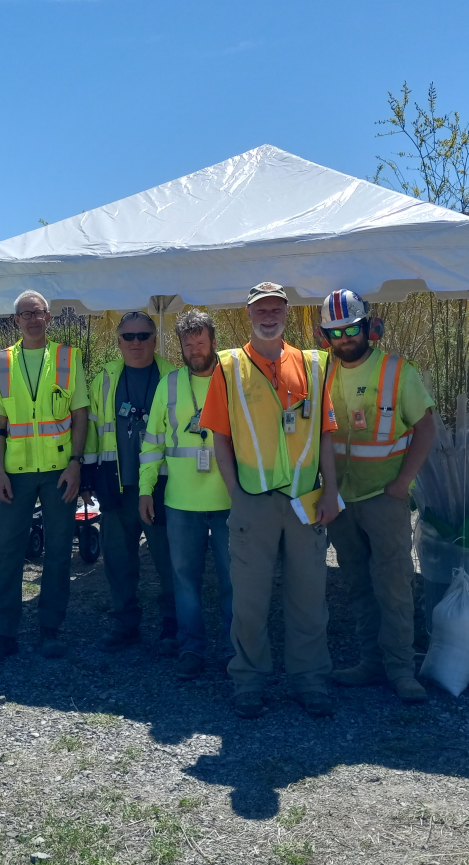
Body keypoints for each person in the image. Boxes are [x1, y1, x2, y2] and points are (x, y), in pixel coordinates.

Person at [200, 282, 341, 719]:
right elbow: (219, 437)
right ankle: (248, 682)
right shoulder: (228, 367)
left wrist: (332, 490)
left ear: (286, 313)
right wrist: (236, 495)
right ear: (248, 314)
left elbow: (326, 433)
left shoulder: (314, 365)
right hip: (254, 503)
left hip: (307, 501)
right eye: (260, 308)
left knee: (309, 597)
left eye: (276, 307)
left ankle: (311, 681)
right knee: (250, 601)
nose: (269, 314)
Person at [319, 289, 437, 704]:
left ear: (368, 326)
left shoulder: (397, 371)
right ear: (325, 336)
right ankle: (371, 663)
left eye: (351, 328)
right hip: (341, 501)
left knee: (394, 585)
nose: (344, 338)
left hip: (384, 498)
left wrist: (402, 484)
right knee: (358, 585)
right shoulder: (322, 373)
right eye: (335, 332)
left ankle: (401, 669)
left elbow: (425, 428)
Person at [0, 290, 89, 663]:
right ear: (16, 320)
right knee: (8, 552)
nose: (33, 319)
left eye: (39, 313)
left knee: (58, 551)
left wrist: (76, 462)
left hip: (59, 470)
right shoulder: (0, 362)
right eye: (26, 314)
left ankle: (50, 629)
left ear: (49, 317)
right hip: (17, 473)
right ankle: (4, 632)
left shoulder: (68, 358)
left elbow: (80, 416)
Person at [139, 309, 232, 680]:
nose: (195, 349)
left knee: (233, 581)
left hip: (229, 501)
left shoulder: (233, 379)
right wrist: (146, 489)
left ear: (213, 341)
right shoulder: (170, 384)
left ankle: (234, 651)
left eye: (201, 341)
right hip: (180, 503)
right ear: (180, 346)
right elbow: (152, 442)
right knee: (184, 581)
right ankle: (191, 648)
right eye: (188, 343)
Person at [84, 312, 179, 652]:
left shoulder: (174, 377)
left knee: (168, 560)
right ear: (118, 342)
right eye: (128, 336)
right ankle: (125, 623)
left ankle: (173, 624)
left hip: (161, 486)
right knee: (119, 561)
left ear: (155, 339)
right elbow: (94, 430)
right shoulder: (105, 378)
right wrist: (89, 477)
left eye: (143, 335)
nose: (136, 342)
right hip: (116, 485)